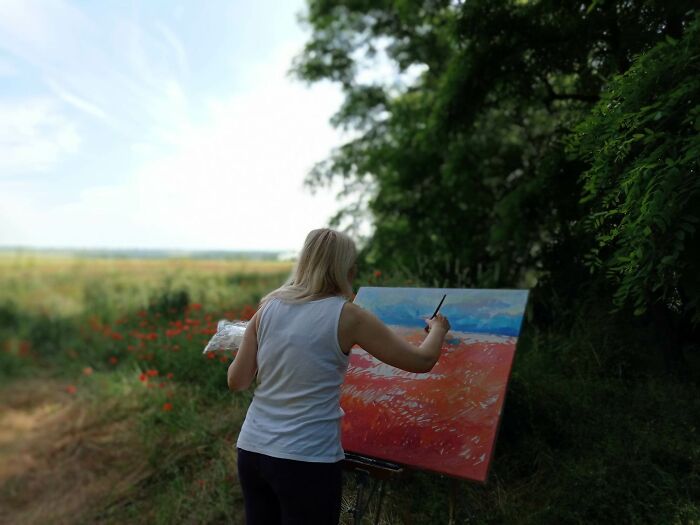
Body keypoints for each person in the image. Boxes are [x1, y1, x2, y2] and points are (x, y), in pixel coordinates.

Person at [227, 228, 450, 525]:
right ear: (346, 268)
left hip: (253, 451)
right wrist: (438, 330)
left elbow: (237, 381)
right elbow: (421, 361)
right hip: (305, 459)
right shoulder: (348, 316)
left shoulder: (267, 309)